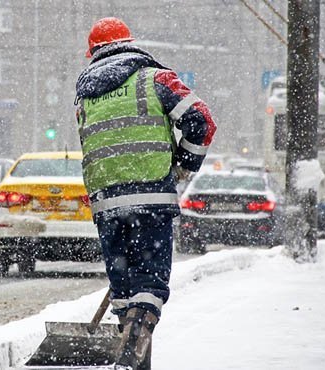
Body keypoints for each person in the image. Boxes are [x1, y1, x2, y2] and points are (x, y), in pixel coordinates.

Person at [74, 17, 216, 369]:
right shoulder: (157, 79)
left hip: (106, 200)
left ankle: (131, 341)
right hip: (151, 196)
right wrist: (184, 165)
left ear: (92, 53)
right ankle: (139, 329)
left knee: (123, 286)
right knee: (149, 283)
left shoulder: (84, 95)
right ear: (131, 44)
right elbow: (202, 120)